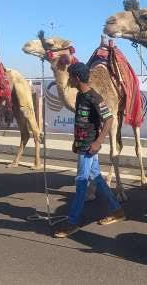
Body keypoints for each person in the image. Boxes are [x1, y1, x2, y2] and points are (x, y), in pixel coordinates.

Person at [53, 62, 125, 238]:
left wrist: (98, 142)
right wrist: (76, 142)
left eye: (70, 76)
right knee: (97, 179)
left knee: (81, 182)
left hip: (89, 148)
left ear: (77, 78)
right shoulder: (79, 96)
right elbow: (81, 122)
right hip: (83, 145)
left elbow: (108, 119)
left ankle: (72, 222)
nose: (68, 79)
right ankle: (117, 211)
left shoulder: (94, 97)